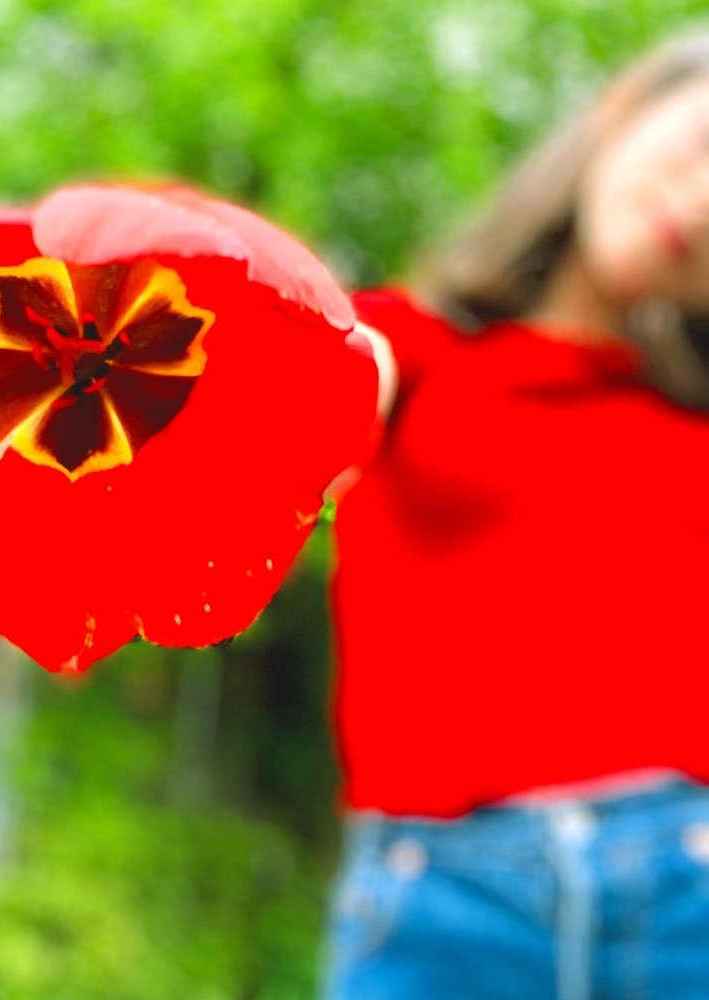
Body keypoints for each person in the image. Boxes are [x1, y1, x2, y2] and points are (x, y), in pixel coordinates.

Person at [323, 29, 709, 1000]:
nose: (703, 203)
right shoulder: (408, 350)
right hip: (438, 907)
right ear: (624, 104)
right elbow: (315, 385)